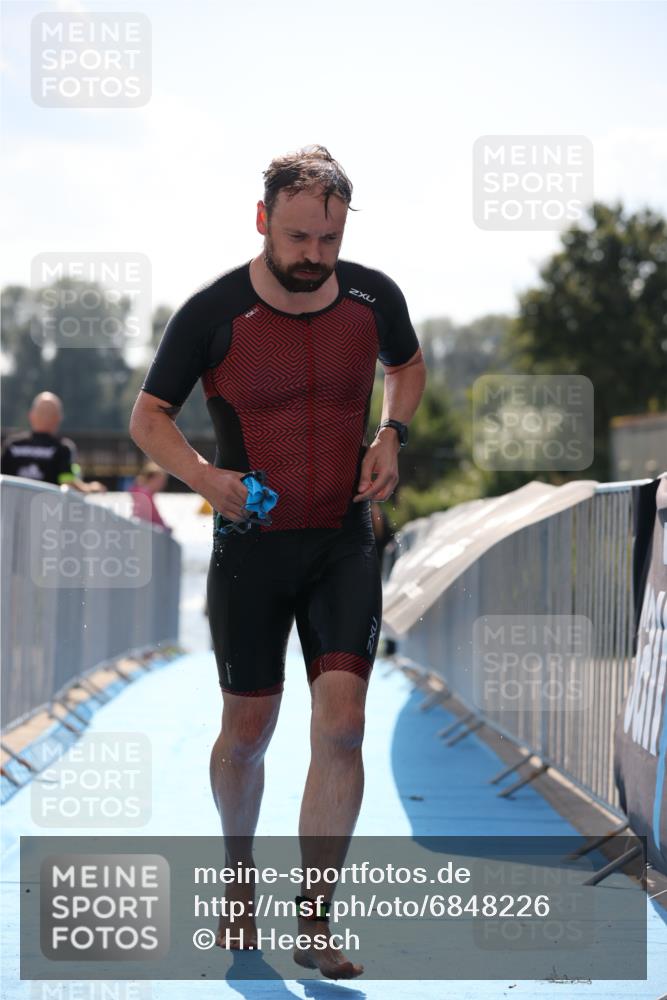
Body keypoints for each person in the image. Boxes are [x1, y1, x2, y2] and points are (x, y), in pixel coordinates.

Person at [129, 145, 427, 979]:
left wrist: (390, 434)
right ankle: (235, 880)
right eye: (298, 238)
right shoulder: (213, 313)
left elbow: (406, 368)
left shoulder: (373, 299)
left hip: (342, 539)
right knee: (248, 734)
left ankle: (317, 920)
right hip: (249, 551)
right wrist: (203, 477)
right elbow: (149, 418)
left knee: (341, 727)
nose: (314, 258)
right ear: (263, 220)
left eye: (328, 240)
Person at [1, 391, 106, 493]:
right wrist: (90, 488)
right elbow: (68, 484)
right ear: (58, 418)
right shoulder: (62, 448)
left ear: (31, 416)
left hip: (12, 509)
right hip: (47, 509)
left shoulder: (12, 445)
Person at [128, 461, 172, 532]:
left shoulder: (143, 492)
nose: (163, 484)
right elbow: (150, 516)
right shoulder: (144, 495)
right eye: (160, 481)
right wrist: (164, 528)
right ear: (151, 479)